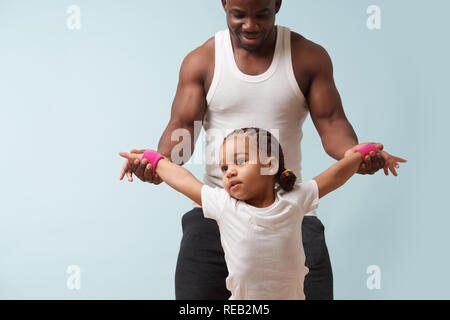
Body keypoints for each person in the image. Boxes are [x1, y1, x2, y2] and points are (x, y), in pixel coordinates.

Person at [119, 0, 392, 299]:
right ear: (224, 4)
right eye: (238, 15)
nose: (250, 25)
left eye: (261, 14)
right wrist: (161, 164)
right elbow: (182, 128)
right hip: (217, 212)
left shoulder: (307, 57)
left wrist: (356, 156)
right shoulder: (203, 60)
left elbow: (331, 122)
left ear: (277, 4)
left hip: (289, 212)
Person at [119, 128, 406, 300]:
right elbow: (181, 178)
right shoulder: (222, 204)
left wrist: (368, 151)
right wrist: (151, 158)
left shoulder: (296, 198)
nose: (229, 170)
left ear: (270, 164)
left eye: (240, 161)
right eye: (224, 167)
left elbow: (336, 173)